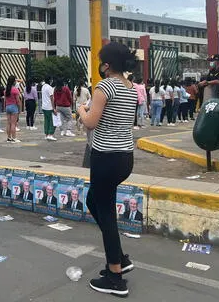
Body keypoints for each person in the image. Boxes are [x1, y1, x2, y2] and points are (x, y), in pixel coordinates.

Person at [77, 42, 138, 296]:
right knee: (94, 200)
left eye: (101, 61)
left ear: (107, 65)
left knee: (106, 213)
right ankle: (120, 258)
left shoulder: (104, 87)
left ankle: (115, 276)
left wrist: (81, 109)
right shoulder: (130, 88)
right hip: (125, 157)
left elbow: (91, 122)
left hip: (106, 157)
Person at [4, 75, 22, 143]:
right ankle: (14, 138)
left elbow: (5, 100)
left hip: (7, 106)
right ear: (14, 81)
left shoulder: (6, 90)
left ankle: (9, 137)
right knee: (13, 124)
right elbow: (18, 100)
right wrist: (19, 108)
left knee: (8, 123)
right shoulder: (15, 89)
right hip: (14, 106)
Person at [41, 77, 56, 141]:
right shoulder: (49, 88)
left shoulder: (43, 87)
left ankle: (46, 134)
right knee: (52, 121)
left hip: (44, 106)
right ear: (50, 80)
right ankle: (50, 134)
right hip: (49, 107)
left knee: (46, 121)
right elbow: (52, 98)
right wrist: (54, 108)